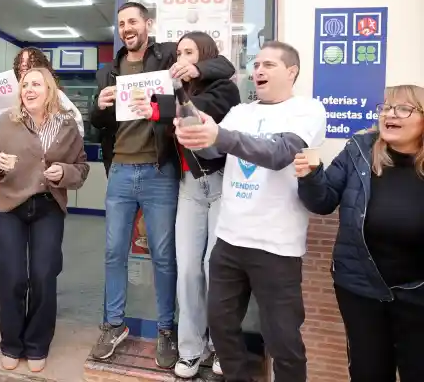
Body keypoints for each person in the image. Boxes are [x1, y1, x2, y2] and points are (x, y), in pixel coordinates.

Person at [88, 2, 236, 368]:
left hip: (160, 171)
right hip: (120, 170)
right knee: (113, 253)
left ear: (147, 24)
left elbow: (223, 66)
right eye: (121, 23)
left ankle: (167, 329)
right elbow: (99, 124)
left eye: (133, 21)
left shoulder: (167, 54)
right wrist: (98, 106)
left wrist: (196, 67)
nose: (127, 28)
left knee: (165, 257)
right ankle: (113, 325)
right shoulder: (109, 71)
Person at [174, 41, 326, 382]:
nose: (259, 70)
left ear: (292, 71)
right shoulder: (241, 112)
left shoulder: (307, 109)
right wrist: (195, 133)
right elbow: (214, 151)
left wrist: (220, 135)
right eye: (256, 65)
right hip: (229, 241)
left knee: (283, 340)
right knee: (221, 327)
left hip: (277, 247)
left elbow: (279, 153)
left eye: (269, 65)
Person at [294, 84, 424, 382]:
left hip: (419, 292)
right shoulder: (359, 150)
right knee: (368, 371)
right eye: (386, 107)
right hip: (361, 288)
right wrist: (311, 176)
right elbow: (322, 202)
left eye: (403, 108)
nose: (390, 114)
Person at [135, 31, 240, 378]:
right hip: (189, 188)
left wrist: (156, 108)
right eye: (178, 53)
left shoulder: (224, 88)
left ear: (204, 57)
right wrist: (148, 104)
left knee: (216, 268)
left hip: (222, 185)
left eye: (189, 52)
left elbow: (196, 114)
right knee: (189, 270)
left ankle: (222, 345)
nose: (181, 59)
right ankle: (192, 349)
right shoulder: (173, 90)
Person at [0, 67, 89, 373]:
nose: (29, 89)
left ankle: (37, 344)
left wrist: (64, 172)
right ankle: (11, 344)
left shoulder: (67, 124)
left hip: (48, 206)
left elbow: (81, 168)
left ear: (49, 90)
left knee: (43, 276)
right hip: (10, 207)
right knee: (12, 277)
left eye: (36, 84)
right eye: (25, 85)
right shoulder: (7, 121)